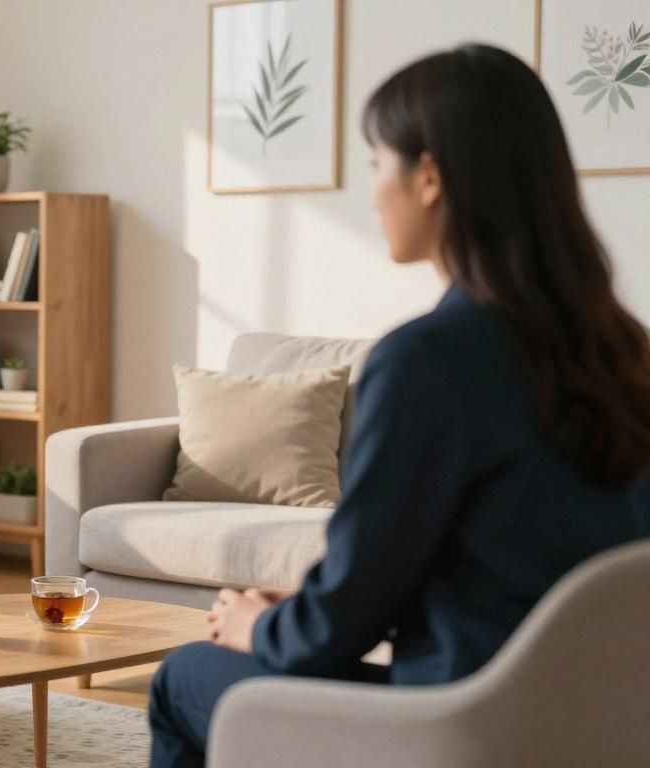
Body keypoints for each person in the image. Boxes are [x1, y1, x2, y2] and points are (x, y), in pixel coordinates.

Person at [148, 44, 650, 767]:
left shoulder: (429, 360)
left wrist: (260, 626)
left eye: (376, 163)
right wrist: (310, 608)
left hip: (464, 728)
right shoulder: (621, 352)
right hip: (595, 727)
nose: (372, 191)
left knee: (183, 677)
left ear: (429, 177)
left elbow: (335, 632)